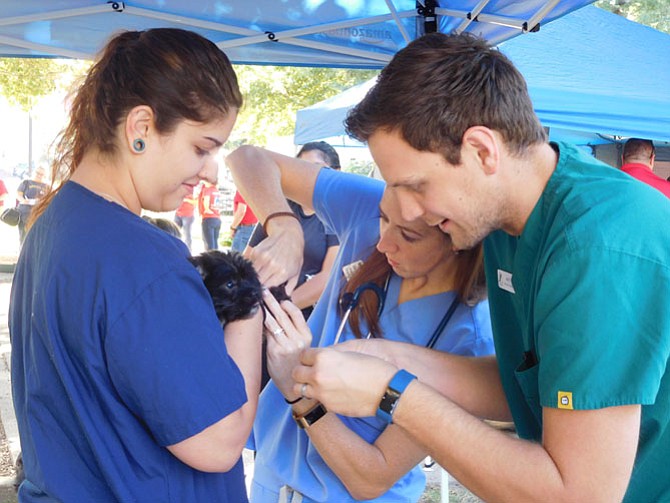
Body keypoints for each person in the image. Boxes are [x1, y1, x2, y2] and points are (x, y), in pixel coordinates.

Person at [233, 33, 670, 502]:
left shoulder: (597, 247)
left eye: (416, 187)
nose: (406, 211)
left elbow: (579, 494)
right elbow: (527, 383)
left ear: (483, 151)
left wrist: (393, 390)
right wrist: (392, 356)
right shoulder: (508, 217)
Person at [9, 28, 262, 502]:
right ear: (141, 128)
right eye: (202, 148)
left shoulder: (55, 222)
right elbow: (220, 442)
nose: (211, 171)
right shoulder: (141, 256)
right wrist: (246, 298)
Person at [226, 147, 494, 502]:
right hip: (272, 482)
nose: (382, 242)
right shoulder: (372, 206)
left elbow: (371, 477)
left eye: (409, 236)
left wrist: (297, 388)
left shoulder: (469, 341)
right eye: (384, 219)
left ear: (460, 236)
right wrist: (284, 225)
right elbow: (247, 158)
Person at [247, 141, 341, 319]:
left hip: (301, 314)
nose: (307, 176)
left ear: (336, 172)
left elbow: (327, 278)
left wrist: (279, 310)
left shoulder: (336, 217)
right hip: (260, 306)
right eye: (301, 168)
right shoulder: (280, 210)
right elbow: (248, 257)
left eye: (315, 168)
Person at [15, 166, 49, 244]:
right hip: (25, 215)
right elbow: (18, 195)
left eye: (42, 174)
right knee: (24, 238)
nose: (39, 175)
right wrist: (25, 201)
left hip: (40, 216)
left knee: (38, 239)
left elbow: (51, 199)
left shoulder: (47, 186)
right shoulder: (26, 182)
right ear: (34, 172)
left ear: (45, 176)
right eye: (37, 173)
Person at [199, 179, 222, 250]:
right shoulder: (216, 191)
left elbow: (206, 200)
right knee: (215, 242)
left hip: (208, 218)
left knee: (208, 243)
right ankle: (217, 258)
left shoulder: (207, 190)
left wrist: (207, 209)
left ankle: (210, 259)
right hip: (217, 218)